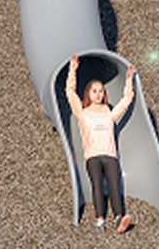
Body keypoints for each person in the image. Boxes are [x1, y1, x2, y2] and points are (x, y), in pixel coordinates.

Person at [64, 54, 136, 234]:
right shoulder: (82, 113)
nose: (98, 94)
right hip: (93, 156)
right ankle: (100, 220)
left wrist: (129, 81)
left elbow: (126, 101)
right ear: (88, 93)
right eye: (94, 91)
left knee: (114, 185)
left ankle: (119, 218)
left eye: (101, 91)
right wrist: (73, 69)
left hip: (110, 155)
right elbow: (70, 93)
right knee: (97, 184)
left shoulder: (109, 114)